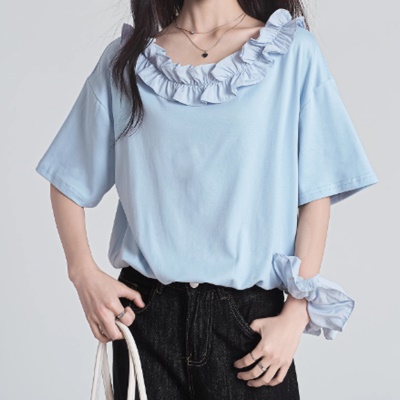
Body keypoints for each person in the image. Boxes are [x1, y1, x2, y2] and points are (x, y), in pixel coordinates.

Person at [35, 1, 379, 399]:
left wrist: (296, 311)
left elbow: (315, 193)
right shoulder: (127, 61)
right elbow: (67, 179)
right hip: (146, 318)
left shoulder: (290, 51)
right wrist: (82, 274)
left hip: (248, 325)